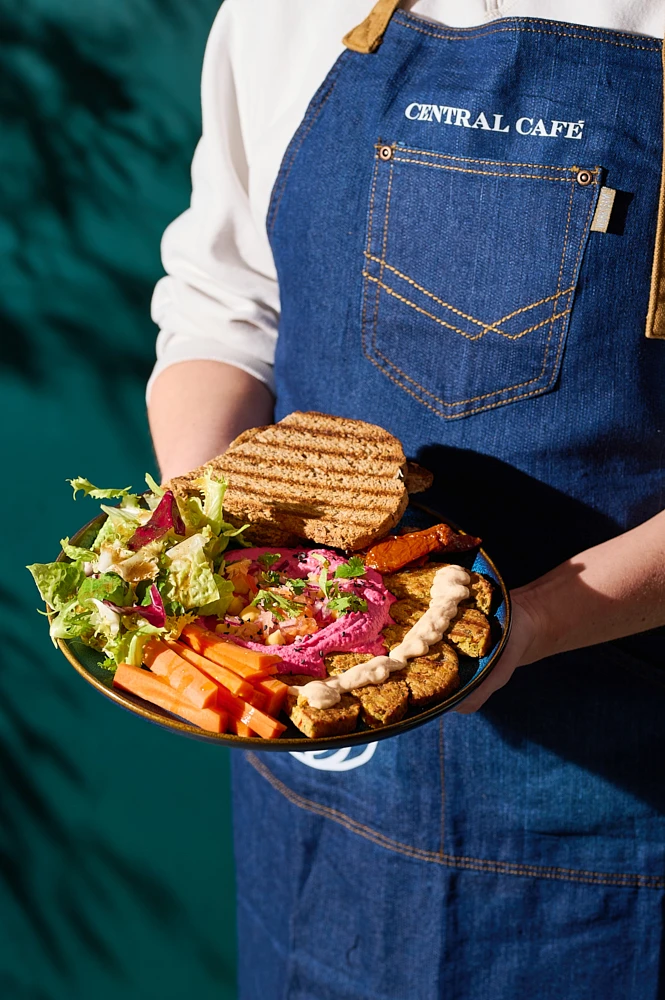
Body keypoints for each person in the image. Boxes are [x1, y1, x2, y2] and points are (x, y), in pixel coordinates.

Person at [148, 2, 665, 996]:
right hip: (316, 782)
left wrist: (530, 623)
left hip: (616, 807)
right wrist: (200, 526)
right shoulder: (287, 14)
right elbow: (225, 308)